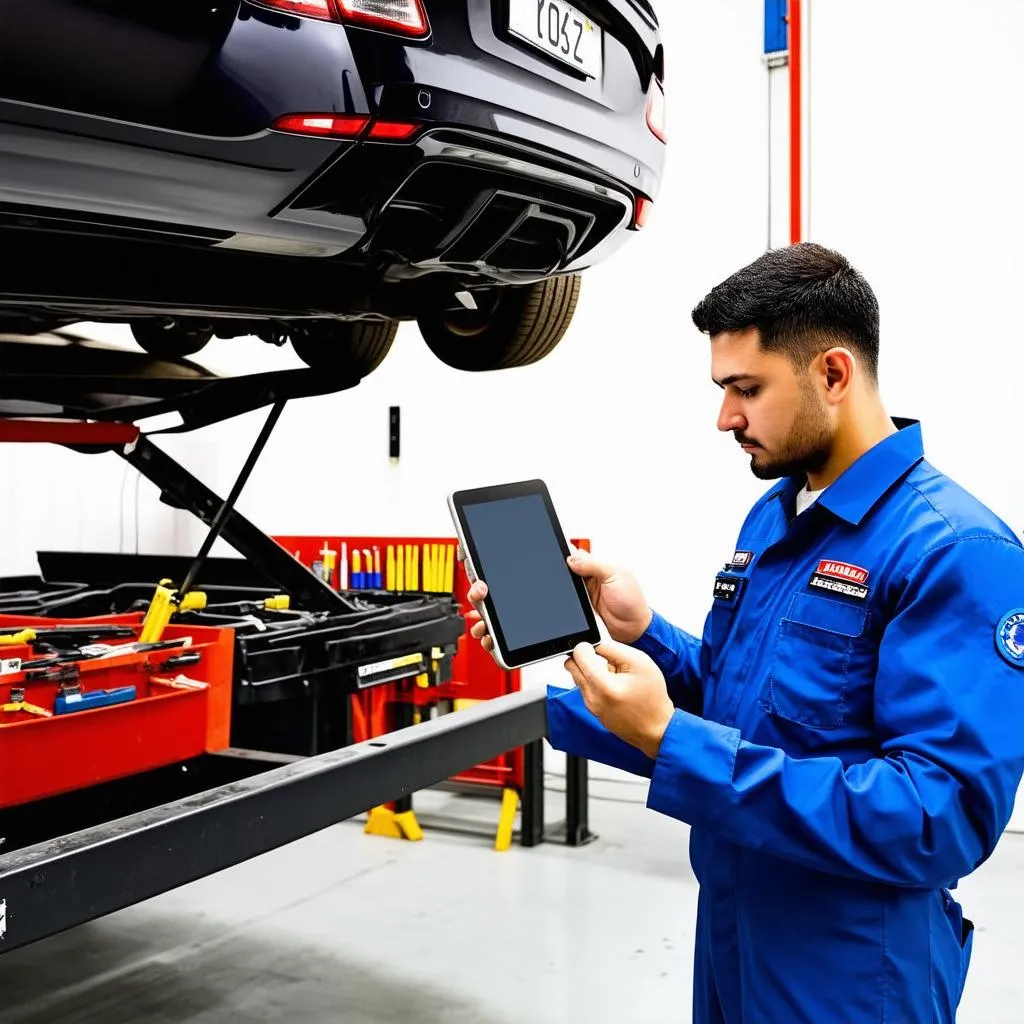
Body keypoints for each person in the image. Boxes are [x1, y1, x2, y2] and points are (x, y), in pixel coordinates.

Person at [465, 243, 1024, 1023]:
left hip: (853, 968)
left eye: (746, 389)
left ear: (833, 374)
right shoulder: (774, 516)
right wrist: (641, 635)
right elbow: (739, 702)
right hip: (733, 927)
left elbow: (937, 817)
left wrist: (670, 739)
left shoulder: (955, 551)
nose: (725, 416)